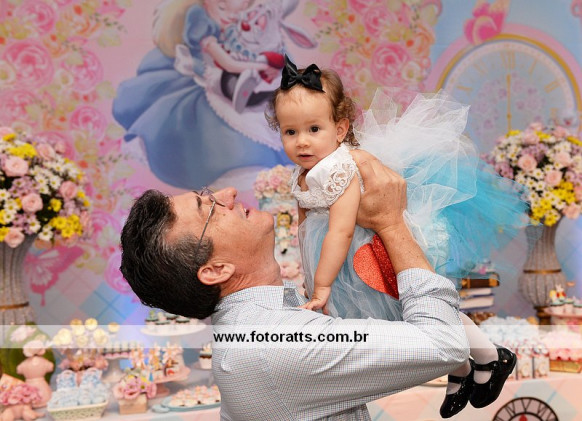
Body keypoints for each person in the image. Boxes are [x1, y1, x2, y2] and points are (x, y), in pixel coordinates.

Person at [120, 153, 471, 420]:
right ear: (215, 270)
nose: (228, 194)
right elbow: (444, 344)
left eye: (208, 194)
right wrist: (391, 223)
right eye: (209, 209)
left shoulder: (265, 323)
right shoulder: (277, 342)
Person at [265, 56, 524, 417]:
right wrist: (310, 274)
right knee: (399, 316)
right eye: (290, 132)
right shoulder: (303, 172)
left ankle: (490, 355)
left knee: (410, 304)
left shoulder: (340, 166)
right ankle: (462, 367)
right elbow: (305, 223)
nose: (302, 142)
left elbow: (341, 228)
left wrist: (322, 285)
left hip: (368, 247)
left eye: (314, 129)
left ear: (340, 129)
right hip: (341, 258)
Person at [112, 0, 291, 189]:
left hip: (232, 69)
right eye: (222, 7)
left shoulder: (236, 25)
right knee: (218, 94)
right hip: (210, 69)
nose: (230, 16)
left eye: (239, 11)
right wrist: (258, 66)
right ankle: (242, 88)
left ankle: (249, 89)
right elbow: (228, 63)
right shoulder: (201, 24)